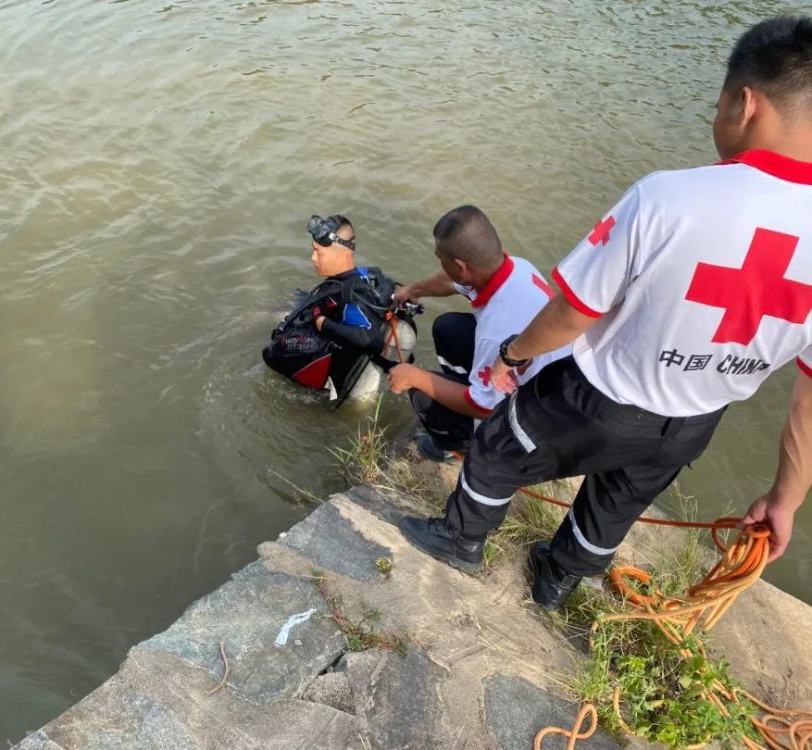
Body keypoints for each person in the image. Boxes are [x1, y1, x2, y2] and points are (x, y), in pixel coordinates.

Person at [398, 15, 812, 608]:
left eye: (719, 103)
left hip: (602, 397)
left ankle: (460, 541)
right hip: (696, 422)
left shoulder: (669, 197)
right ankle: (557, 579)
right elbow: (809, 396)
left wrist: (514, 356)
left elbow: (574, 310)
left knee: (495, 450)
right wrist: (785, 497)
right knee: (616, 500)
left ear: (745, 104)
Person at [387, 206, 570, 461]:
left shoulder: (496, 331)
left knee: (421, 394)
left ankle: (463, 445)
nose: (440, 263)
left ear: (461, 267)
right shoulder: (516, 267)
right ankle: (461, 397)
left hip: (540, 420)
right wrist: (413, 291)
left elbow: (483, 406)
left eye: (442, 259)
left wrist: (415, 377)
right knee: (448, 328)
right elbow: (451, 282)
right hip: (548, 379)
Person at [263, 214, 415, 402]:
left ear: (344, 254)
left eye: (319, 253)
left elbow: (370, 341)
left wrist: (322, 323)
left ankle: (258, 315)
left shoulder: (349, 299)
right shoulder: (365, 275)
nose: (313, 258)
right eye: (313, 250)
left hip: (341, 364)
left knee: (272, 338)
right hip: (334, 313)